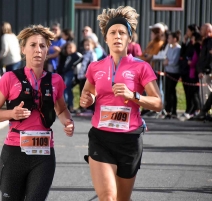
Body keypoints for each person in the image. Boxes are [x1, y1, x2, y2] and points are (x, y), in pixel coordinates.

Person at [79, 6, 162, 201]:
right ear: (105, 38)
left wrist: (133, 95)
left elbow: (158, 103)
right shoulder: (95, 67)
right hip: (101, 137)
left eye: (122, 33)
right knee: (108, 197)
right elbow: (86, 93)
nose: (117, 36)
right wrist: (87, 99)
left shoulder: (141, 67)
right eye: (112, 32)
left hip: (129, 140)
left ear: (129, 38)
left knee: (121, 199)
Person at [0, 24, 74, 200]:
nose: (38, 50)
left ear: (48, 50)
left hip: (43, 154)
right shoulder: (10, 78)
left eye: (42, 45)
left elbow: (62, 108)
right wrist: (11, 114)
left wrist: (67, 122)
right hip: (14, 153)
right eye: (32, 45)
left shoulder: (55, 80)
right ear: (23, 49)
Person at [163, 31, 182, 119]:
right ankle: (168, 110)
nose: (168, 39)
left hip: (174, 73)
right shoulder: (170, 48)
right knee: (168, 91)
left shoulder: (178, 49)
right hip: (168, 72)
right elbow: (166, 57)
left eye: (170, 38)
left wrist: (168, 62)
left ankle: (173, 110)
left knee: (172, 91)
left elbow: (174, 61)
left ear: (175, 39)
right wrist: (166, 62)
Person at [63, 42, 83, 113]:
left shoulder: (76, 54)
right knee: (66, 89)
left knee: (67, 87)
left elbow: (81, 58)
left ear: (75, 48)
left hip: (71, 73)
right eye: (68, 48)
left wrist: (74, 65)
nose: (69, 49)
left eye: (71, 47)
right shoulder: (68, 56)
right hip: (66, 73)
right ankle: (68, 105)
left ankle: (70, 106)